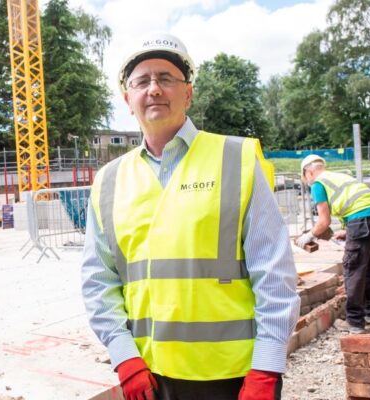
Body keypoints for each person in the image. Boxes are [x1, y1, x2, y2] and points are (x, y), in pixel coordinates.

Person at [81, 32, 300, 400]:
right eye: (142, 81)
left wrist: (267, 366)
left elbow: (274, 272)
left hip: (235, 375)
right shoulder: (109, 181)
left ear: (188, 93)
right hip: (149, 375)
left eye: (166, 78)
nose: (154, 89)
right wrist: (124, 357)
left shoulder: (237, 158)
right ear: (127, 99)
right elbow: (98, 281)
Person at [296, 154, 370, 334]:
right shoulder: (340, 176)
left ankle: (355, 322)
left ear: (309, 172)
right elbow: (360, 205)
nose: (308, 182)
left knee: (354, 270)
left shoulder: (318, 184)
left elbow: (323, 222)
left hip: (363, 220)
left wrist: (307, 236)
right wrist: (349, 231)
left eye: (306, 179)